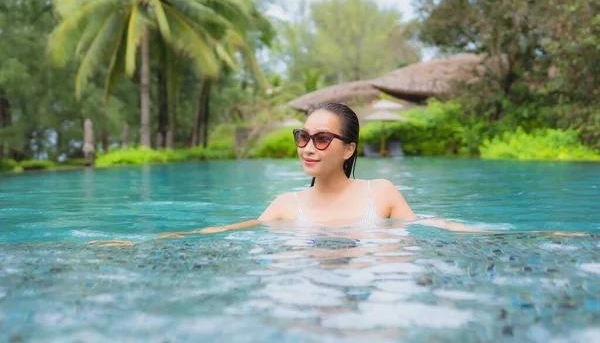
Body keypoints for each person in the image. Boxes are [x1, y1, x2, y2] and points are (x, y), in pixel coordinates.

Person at [90, 102, 481, 248]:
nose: (308, 146)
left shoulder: (380, 193)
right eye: (303, 136)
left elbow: (432, 228)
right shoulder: (285, 205)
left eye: (322, 138)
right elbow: (228, 231)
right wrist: (144, 242)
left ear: (348, 149)